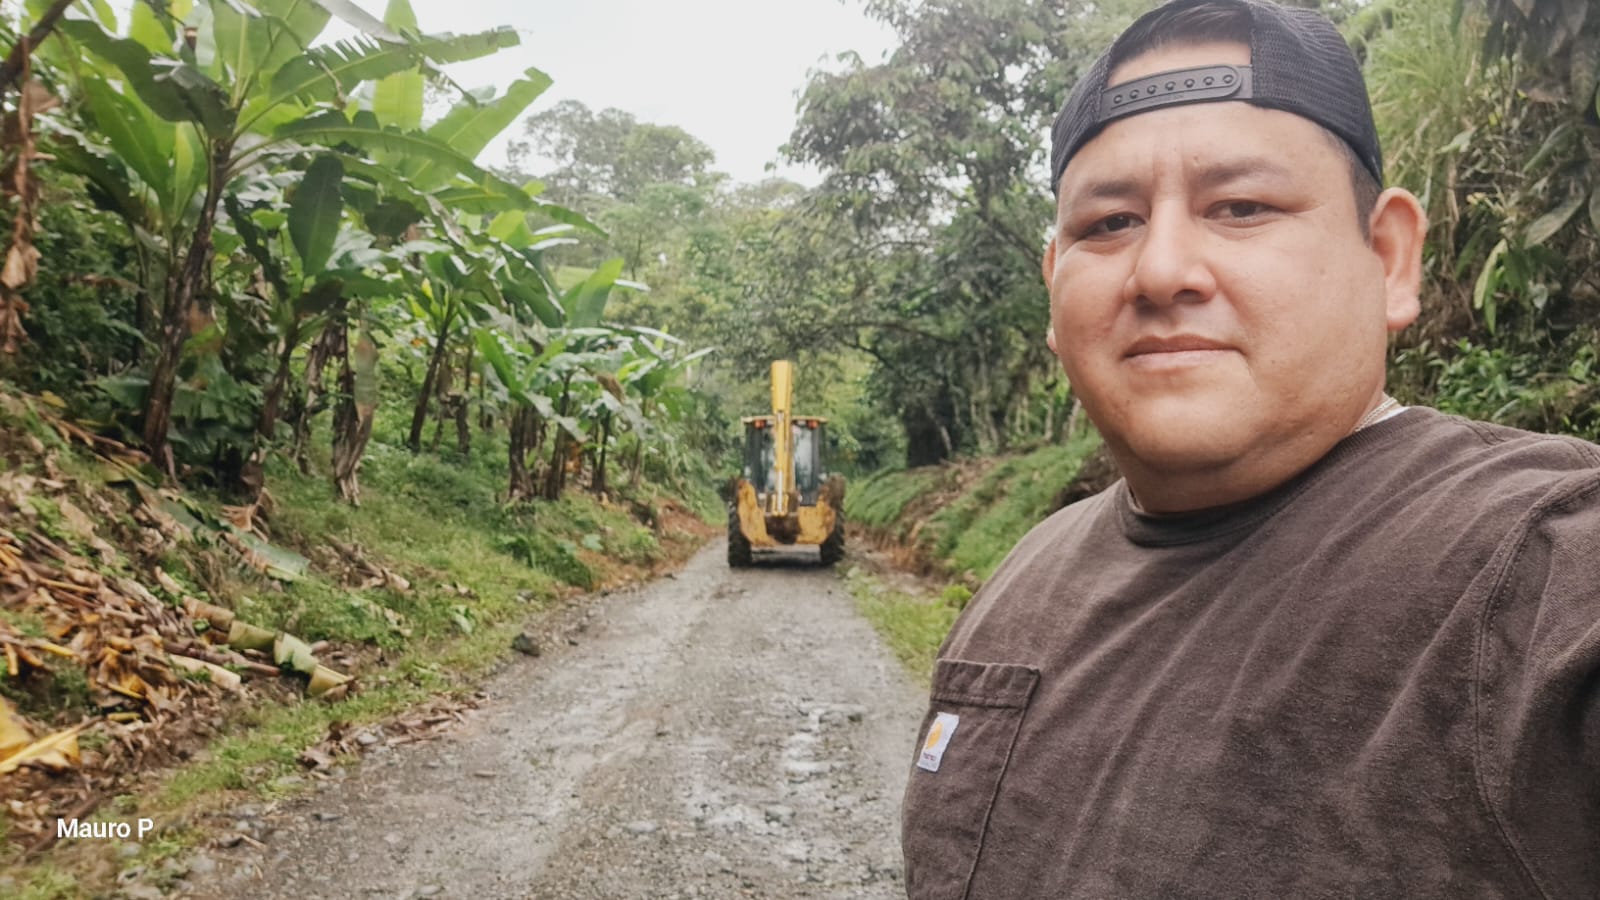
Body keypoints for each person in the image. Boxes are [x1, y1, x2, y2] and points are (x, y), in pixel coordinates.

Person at [899, 1, 1600, 897]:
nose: (1160, 271)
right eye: (1108, 224)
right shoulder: (1024, 576)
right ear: (1053, 289)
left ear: (1389, 259)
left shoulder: (1541, 565)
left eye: (1240, 207)